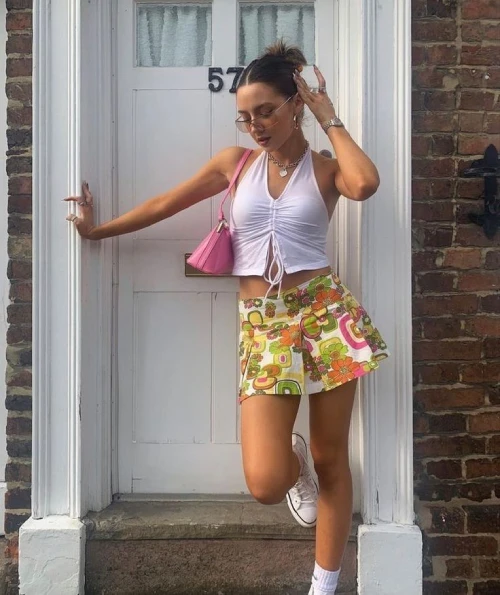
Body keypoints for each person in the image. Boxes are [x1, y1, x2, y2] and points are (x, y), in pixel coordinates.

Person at [65, 41, 389, 595]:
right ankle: (296, 466)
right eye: (246, 116)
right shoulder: (234, 165)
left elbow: (365, 185)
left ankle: (325, 585)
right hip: (264, 324)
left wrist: (327, 113)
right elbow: (166, 203)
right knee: (265, 481)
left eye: (266, 110)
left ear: (294, 105)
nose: (255, 125)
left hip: (325, 315)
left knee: (334, 457)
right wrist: (98, 230)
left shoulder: (328, 169)